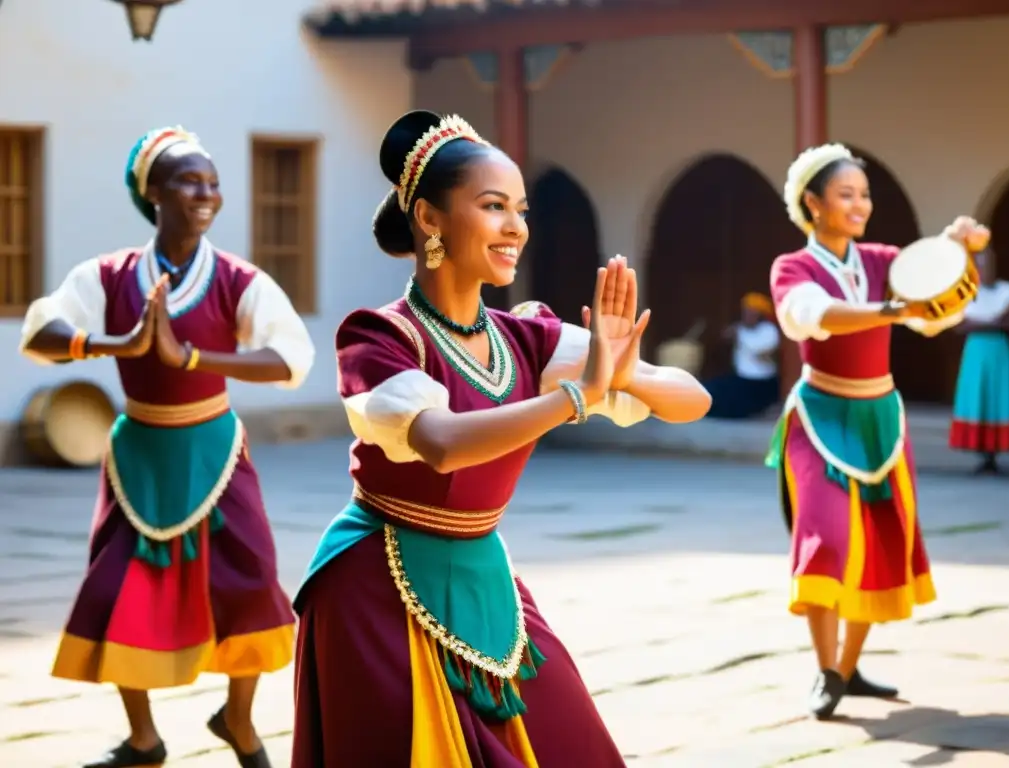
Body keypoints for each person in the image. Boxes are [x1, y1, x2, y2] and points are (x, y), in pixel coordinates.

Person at [290, 110, 711, 767]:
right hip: (377, 580)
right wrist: (577, 397)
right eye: (492, 206)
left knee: (572, 745)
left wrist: (628, 373)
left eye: (520, 208)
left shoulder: (527, 336)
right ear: (429, 219)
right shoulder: (379, 338)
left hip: (484, 571)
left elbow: (693, 400)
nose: (515, 226)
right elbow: (442, 442)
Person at [19, 126, 315, 768]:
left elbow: (292, 358)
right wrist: (108, 345)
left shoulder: (239, 279)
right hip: (139, 454)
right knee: (119, 587)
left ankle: (237, 719)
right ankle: (143, 738)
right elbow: (42, 329)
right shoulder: (110, 275)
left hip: (214, 447)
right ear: (152, 193)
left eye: (212, 183)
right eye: (188, 181)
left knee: (250, 578)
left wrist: (194, 356)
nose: (205, 194)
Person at [765, 143, 989, 721]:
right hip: (819, 416)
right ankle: (825, 668)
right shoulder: (794, 268)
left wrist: (961, 250)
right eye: (846, 195)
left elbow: (935, 305)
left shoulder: (885, 260)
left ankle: (847, 668)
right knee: (827, 537)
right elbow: (813, 316)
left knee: (878, 542)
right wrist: (889, 310)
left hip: (881, 417)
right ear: (813, 203)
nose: (860, 204)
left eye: (864, 195)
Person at [949, 248, 1009, 473]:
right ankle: (983, 454)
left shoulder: (1006, 292)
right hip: (976, 352)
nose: (985, 269)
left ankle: (995, 453)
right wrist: (993, 322)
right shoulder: (966, 292)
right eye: (980, 264)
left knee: (997, 399)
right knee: (977, 398)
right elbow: (958, 325)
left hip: (999, 351)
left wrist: (978, 323)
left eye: (988, 264)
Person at [704, 292, 780, 419]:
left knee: (732, 408)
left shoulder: (769, 331)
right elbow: (724, 336)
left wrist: (741, 338)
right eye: (746, 312)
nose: (747, 316)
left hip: (761, 383)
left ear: (760, 315)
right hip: (741, 379)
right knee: (711, 390)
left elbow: (763, 356)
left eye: (752, 313)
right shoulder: (739, 329)